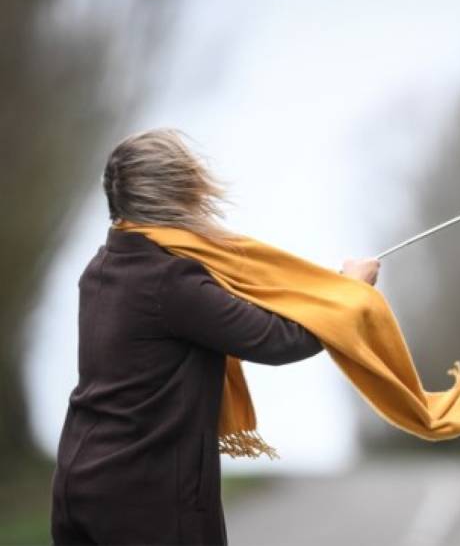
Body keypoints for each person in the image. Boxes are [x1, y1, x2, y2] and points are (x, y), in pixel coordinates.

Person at [49, 128, 380, 545]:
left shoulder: (102, 267)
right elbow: (279, 340)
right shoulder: (170, 280)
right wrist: (353, 293)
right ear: (177, 196)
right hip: (145, 502)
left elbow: (229, 314)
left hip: (79, 485)